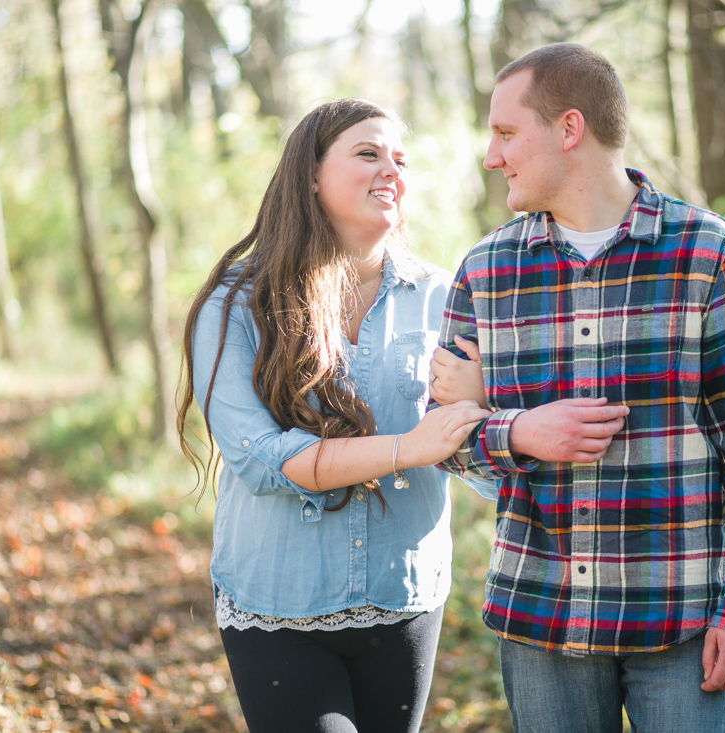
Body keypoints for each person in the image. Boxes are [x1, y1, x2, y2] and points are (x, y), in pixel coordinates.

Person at [429, 43, 725, 733]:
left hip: (682, 624)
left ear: (569, 129)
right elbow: (443, 440)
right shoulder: (485, 270)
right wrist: (517, 431)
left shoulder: (709, 254)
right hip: (541, 620)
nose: (490, 155)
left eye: (506, 133)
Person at [175, 98, 493, 733]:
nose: (391, 171)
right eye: (368, 153)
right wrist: (410, 447)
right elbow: (263, 460)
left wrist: (480, 403)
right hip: (278, 603)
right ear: (311, 174)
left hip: (405, 598)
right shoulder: (236, 304)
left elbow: (485, 464)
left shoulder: (445, 296)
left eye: (400, 159)